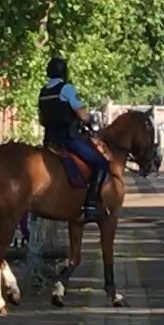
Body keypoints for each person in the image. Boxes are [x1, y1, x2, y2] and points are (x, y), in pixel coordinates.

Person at [38, 57, 109, 220]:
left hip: (49, 139)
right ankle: (90, 204)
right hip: (67, 138)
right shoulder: (67, 88)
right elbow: (82, 116)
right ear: (64, 72)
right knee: (101, 163)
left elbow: (42, 120)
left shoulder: (43, 91)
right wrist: (91, 120)